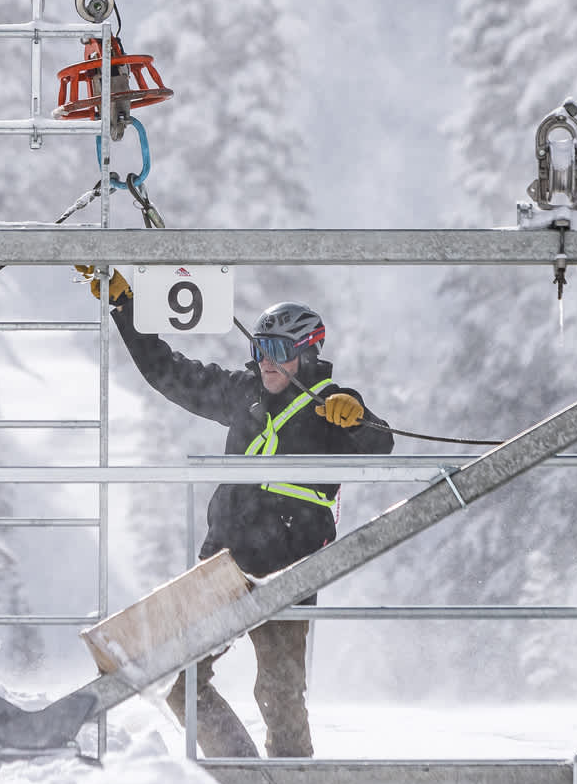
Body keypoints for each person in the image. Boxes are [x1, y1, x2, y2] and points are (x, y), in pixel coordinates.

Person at [90, 277, 393, 757]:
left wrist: (356, 417)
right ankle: (243, 772)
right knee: (177, 674)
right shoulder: (242, 393)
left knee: (280, 694)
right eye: (258, 348)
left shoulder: (331, 407)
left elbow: (380, 444)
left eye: (276, 348)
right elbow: (167, 372)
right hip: (226, 560)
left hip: (290, 566)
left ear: (308, 354)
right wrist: (124, 306)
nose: (264, 359)